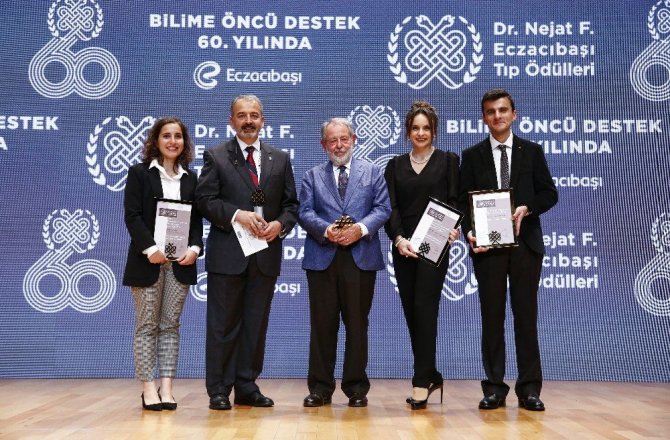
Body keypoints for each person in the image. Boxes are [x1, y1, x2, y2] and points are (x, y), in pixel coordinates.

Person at [195, 94, 298, 410]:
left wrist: (279, 225)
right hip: (228, 255)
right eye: (242, 115)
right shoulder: (216, 156)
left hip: (264, 255)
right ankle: (219, 388)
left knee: (255, 325)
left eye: (254, 115)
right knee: (222, 326)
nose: (248, 121)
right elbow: (204, 201)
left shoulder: (280, 159)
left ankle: (246, 385)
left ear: (263, 121)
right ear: (232, 121)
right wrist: (238, 215)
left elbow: (291, 206)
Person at [458, 89, 558, 411]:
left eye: (503, 110)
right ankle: (494, 388)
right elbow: (462, 202)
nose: (497, 116)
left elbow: (549, 194)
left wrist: (528, 208)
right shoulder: (471, 156)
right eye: (491, 111)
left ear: (514, 114)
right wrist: (470, 232)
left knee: (526, 317)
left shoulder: (532, 151)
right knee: (492, 318)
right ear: (484, 118)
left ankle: (529, 389)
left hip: (525, 245)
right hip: (488, 248)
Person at [298, 118, 391, 408]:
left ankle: (356, 388)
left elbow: (383, 208)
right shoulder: (312, 176)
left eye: (343, 139)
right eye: (332, 140)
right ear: (323, 144)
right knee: (322, 326)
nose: (338, 145)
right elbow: (304, 212)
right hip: (322, 258)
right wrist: (327, 230)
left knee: (357, 325)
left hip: (360, 257)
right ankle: (320, 389)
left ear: (354, 139)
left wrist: (359, 230)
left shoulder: (373, 172)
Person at [122, 116, 203, 411]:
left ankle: (166, 388)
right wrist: (151, 248)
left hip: (180, 262)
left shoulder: (191, 178)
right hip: (148, 261)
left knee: (170, 326)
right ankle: (148, 388)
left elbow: (196, 220)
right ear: (156, 141)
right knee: (147, 325)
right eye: (166, 135)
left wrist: (194, 248)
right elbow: (132, 216)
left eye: (178, 136)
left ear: (184, 142)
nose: (173, 141)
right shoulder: (139, 173)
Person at [384, 101, 460, 410]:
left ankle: (420, 381)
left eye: (426, 128)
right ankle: (431, 374)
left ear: (434, 131)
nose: (420, 133)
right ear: (407, 132)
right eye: (415, 128)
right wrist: (398, 238)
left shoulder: (448, 161)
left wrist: (455, 228)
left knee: (425, 308)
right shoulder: (395, 166)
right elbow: (390, 207)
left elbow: (456, 201)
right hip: (404, 247)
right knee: (411, 312)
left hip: (435, 244)